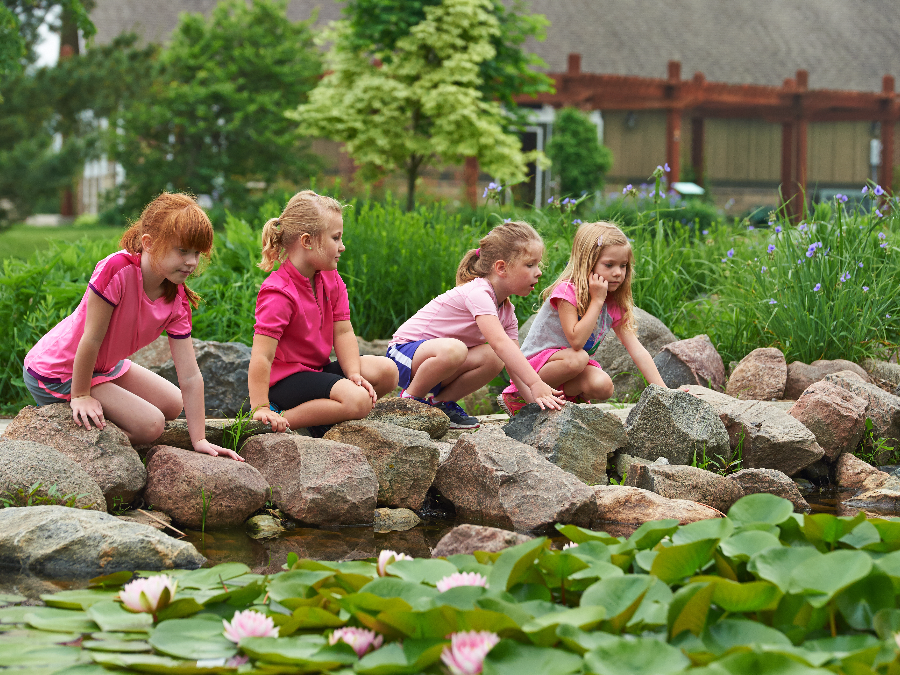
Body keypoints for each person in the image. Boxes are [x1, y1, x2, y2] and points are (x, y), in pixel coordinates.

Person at [23, 193, 243, 460]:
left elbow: (190, 375)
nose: (191, 262)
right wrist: (80, 395)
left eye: (196, 253)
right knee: (151, 425)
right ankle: (75, 441)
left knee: (173, 404)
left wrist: (199, 439)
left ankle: (104, 412)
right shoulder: (117, 270)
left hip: (103, 367)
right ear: (149, 243)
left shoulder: (177, 298)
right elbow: (91, 338)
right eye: (182, 250)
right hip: (60, 371)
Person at [386, 220, 565, 429]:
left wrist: (534, 403)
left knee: (495, 358)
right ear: (501, 267)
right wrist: (536, 383)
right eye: (530, 264)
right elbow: (499, 342)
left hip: (441, 366)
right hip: (404, 355)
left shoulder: (507, 312)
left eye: (538, 265)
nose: (539, 272)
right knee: (458, 349)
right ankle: (409, 401)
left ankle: (441, 404)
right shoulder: (478, 293)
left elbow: (513, 361)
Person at [246, 190, 398, 437]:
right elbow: (262, 357)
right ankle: (279, 420)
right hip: (286, 382)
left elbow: (343, 330)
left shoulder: (330, 278)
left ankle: (322, 417)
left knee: (387, 372)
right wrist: (260, 406)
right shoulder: (278, 292)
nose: (342, 246)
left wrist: (354, 375)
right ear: (307, 241)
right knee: (358, 401)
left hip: (318, 371)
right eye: (335, 238)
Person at [498, 221, 666, 417]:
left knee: (603, 386)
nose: (618, 273)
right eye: (609, 265)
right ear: (588, 262)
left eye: (623, 265)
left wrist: (664, 391)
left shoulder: (613, 303)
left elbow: (637, 350)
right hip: (535, 368)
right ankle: (519, 396)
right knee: (579, 358)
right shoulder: (567, 292)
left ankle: (563, 397)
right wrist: (596, 301)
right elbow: (576, 341)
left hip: (569, 366)